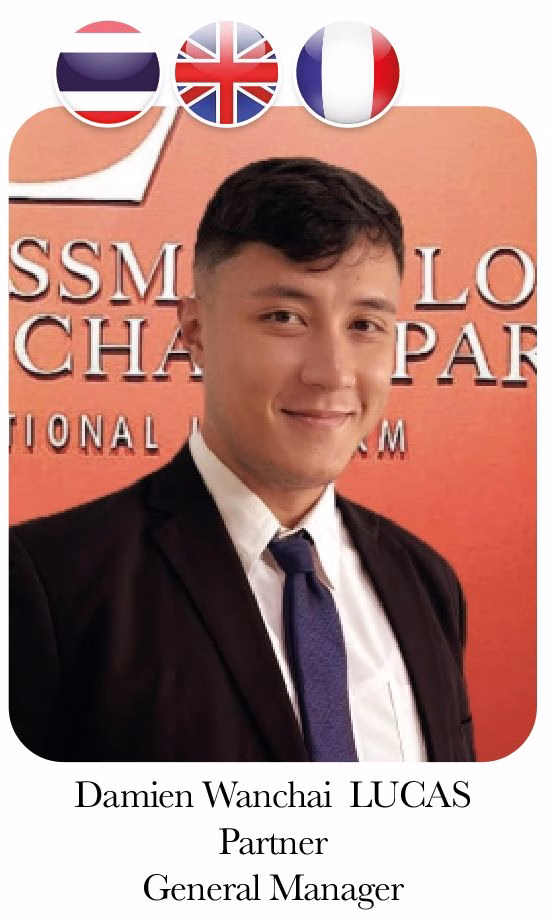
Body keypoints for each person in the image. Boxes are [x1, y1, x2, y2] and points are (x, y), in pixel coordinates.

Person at [9, 157, 474, 762]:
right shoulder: (45, 584)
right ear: (196, 330)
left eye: (364, 324)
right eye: (285, 318)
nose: (332, 372)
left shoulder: (427, 582)